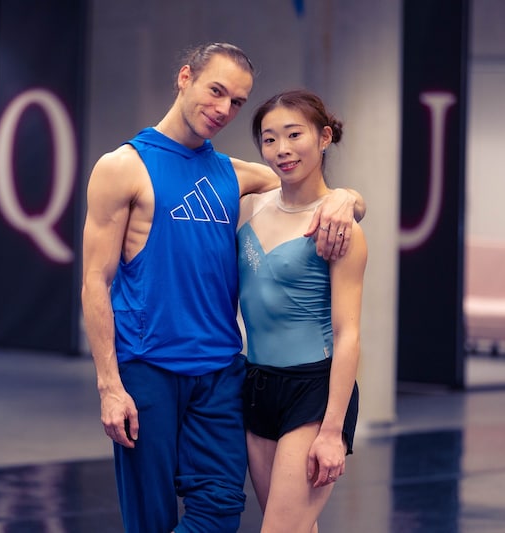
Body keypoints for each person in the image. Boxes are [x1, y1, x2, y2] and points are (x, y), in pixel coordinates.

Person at [81, 42, 365, 533]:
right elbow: (94, 280)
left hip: (220, 372)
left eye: (236, 102)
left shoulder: (234, 174)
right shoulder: (121, 166)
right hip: (147, 367)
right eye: (216, 91)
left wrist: (347, 197)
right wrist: (109, 386)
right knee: (149, 519)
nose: (223, 110)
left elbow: (302, 188)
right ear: (185, 78)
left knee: (219, 512)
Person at [238, 89, 367, 533]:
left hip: (313, 390)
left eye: (295, 135)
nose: (282, 149)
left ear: (324, 137)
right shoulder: (249, 206)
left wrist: (332, 430)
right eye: (269, 139)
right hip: (256, 384)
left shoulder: (337, 226)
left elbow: (348, 332)